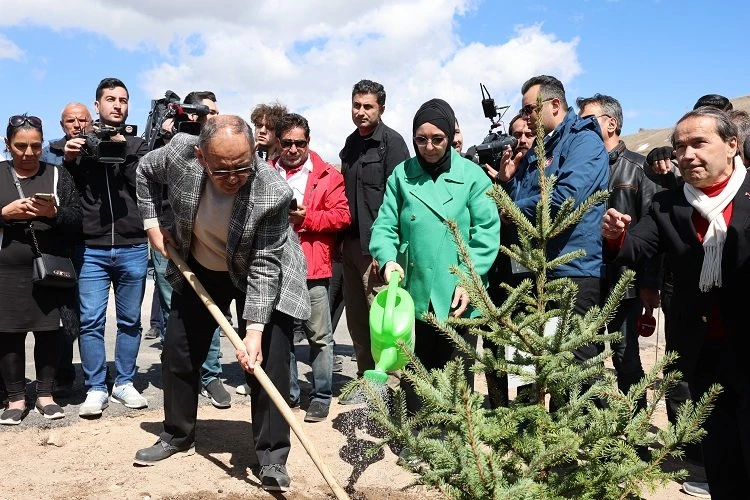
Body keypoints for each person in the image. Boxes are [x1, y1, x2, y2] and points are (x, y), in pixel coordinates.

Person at [134, 115, 310, 493]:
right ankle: (177, 434)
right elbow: (144, 172)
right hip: (201, 265)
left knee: (270, 361)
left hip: (261, 271)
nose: (233, 178)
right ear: (201, 156)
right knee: (178, 351)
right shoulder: (179, 153)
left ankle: (272, 456)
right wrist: (152, 224)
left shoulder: (271, 190)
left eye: (242, 167)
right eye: (222, 170)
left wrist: (254, 331)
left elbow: (265, 266)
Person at [601, 106, 750, 500]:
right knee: (721, 456)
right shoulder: (668, 205)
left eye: (699, 143)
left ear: (732, 145)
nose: (687, 154)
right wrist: (616, 235)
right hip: (703, 352)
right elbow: (634, 248)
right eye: (680, 146)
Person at [370, 98, 500, 414]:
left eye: (437, 139)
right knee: (417, 372)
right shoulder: (402, 176)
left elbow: (486, 233)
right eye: (421, 139)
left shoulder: (472, 176)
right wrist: (387, 260)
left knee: (457, 375)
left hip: (459, 293)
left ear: (449, 136)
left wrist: (469, 279)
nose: (429, 147)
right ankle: (418, 435)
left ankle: (457, 443)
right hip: (414, 289)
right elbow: (385, 225)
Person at [498, 75, 609, 400]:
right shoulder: (538, 149)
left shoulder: (583, 143)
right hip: (535, 271)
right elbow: (520, 200)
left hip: (574, 269)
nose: (526, 117)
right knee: (531, 366)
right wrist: (508, 183)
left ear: (555, 105)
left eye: (530, 109)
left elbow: (566, 198)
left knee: (576, 368)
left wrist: (513, 207)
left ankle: (596, 445)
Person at [63, 78, 150, 417]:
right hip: (92, 248)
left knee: (130, 321)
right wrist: (72, 154)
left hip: (132, 245)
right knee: (91, 321)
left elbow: (143, 182)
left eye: (123, 100)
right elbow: (57, 164)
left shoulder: (139, 145)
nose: (117, 104)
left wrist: (123, 148)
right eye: (110, 99)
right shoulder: (78, 145)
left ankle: (125, 382)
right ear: (96, 106)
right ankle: (96, 387)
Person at [148, 90, 232, 409]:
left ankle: (210, 375)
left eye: (215, 111)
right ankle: (182, 376)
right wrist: (167, 137)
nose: (212, 117)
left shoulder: (218, 144)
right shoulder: (168, 141)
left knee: (211, 308)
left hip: (208, 239)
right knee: (176, 312)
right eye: (206, 112)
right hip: (171, 238)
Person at [577, 93, 660, 412]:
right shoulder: (582, 167)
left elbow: (653, 231)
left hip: (624, 283)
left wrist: (649, 283)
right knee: (587, 356)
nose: (580, 128)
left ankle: (636, 433)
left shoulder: (638, 168)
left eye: (588, 121)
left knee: (626, 358)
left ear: (610, 124)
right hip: (586, 278)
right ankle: (593, 430)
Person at [0, 114, 81, 424]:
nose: (29, 153)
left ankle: (45, 396)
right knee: (8, 333)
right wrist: (5, 214)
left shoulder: (58, 175)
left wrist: (54, 212)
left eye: (35, 146)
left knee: (49, 331)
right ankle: (16, 398)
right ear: (7, 144)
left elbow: (77, 220)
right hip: (6, 270)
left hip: (49, 268)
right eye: (21, 146)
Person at [270, 113, 350, 422]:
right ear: (279, 143)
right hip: (276, 267)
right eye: (287, 143)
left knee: (320, 336)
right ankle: (289, 393)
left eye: (299, 143)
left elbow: (342, 216)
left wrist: (308, 219)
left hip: (314, 267)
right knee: (282, 336)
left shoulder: (328, 175)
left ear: (308, 142)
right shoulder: (265, 172)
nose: (293, 149)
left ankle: (321, 395)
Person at [339, 79, 409, 400]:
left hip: (378, 249)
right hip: (350, 247)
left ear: (381, 107)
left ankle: (393, 388)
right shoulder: (350, 145)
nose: (361, 112)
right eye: (357, 105)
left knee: (385, 323)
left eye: (368, 106)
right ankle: (366, 384)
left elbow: (400, 201)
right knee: (357, 321)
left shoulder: (392, 144)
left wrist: (389, 249)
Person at [38, 102, 93, 398]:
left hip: (90, 241)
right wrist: (67, 159)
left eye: (82, 120)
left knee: (86, 312)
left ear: (92, 122)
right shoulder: (49, 152)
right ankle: (61, 372)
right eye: (71, 121)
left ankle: (85, 373)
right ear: (62, 125)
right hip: (58, 240)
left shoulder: (99, 147)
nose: (77, 125)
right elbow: (45, 182)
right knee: (60, 311)